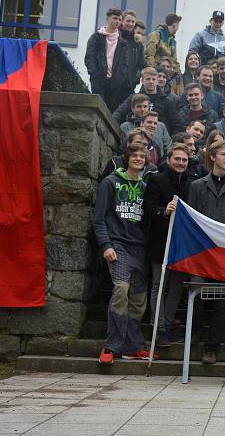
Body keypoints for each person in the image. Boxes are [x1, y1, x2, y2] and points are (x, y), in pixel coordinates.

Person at [186, 140, 225, 364]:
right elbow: (190, 219)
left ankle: (212, 347)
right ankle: (195, 332)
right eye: (223, 154)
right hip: (201, 254)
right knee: (197, 295)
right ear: (212, 157)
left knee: (222, 301)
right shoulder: (196, 186)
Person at [93, 146, 150, 364]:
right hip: (117, 245)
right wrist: (105, 245)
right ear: (127, 159)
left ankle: (133, 346)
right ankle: (112, 346)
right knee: (120, 290)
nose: (138, 159)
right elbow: (98, 217)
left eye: (142, 156)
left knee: (139, 299)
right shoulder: (110, 182)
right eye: (134, 156)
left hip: (140, 248)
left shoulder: (145, 187)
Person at [142, 143, 191, 348]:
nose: (180, 163)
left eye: (184, 160)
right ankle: (158, 328)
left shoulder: (192, 183)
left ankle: (167, 325)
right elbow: (147, 207)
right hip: (160, 241)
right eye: (177, 159)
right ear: (169, 160)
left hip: (183, 243)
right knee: (158, 285)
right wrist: (164, 210)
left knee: (177, 286)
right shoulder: (156, 179)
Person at [85, 8, 144, 112]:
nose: (117, 21)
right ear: (107, 19)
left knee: (111, 112)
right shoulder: (96, 37)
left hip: (116, 83)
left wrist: (122, 78)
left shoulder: (122, 42)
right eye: (115, 18)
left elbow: (125, 63)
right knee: (98, 109)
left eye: (119, 19)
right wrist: (95, 74)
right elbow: (89, 57)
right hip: (99, 80)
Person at [112, 67, 183, 134]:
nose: (151, 82)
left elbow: (177, 124)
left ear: (157, 80)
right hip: (136, 135)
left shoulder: (166, 101)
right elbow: (119, 113)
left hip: (159, 137)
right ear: (142, 80)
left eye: (153, 79)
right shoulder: (133, 98)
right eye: (148, 79)